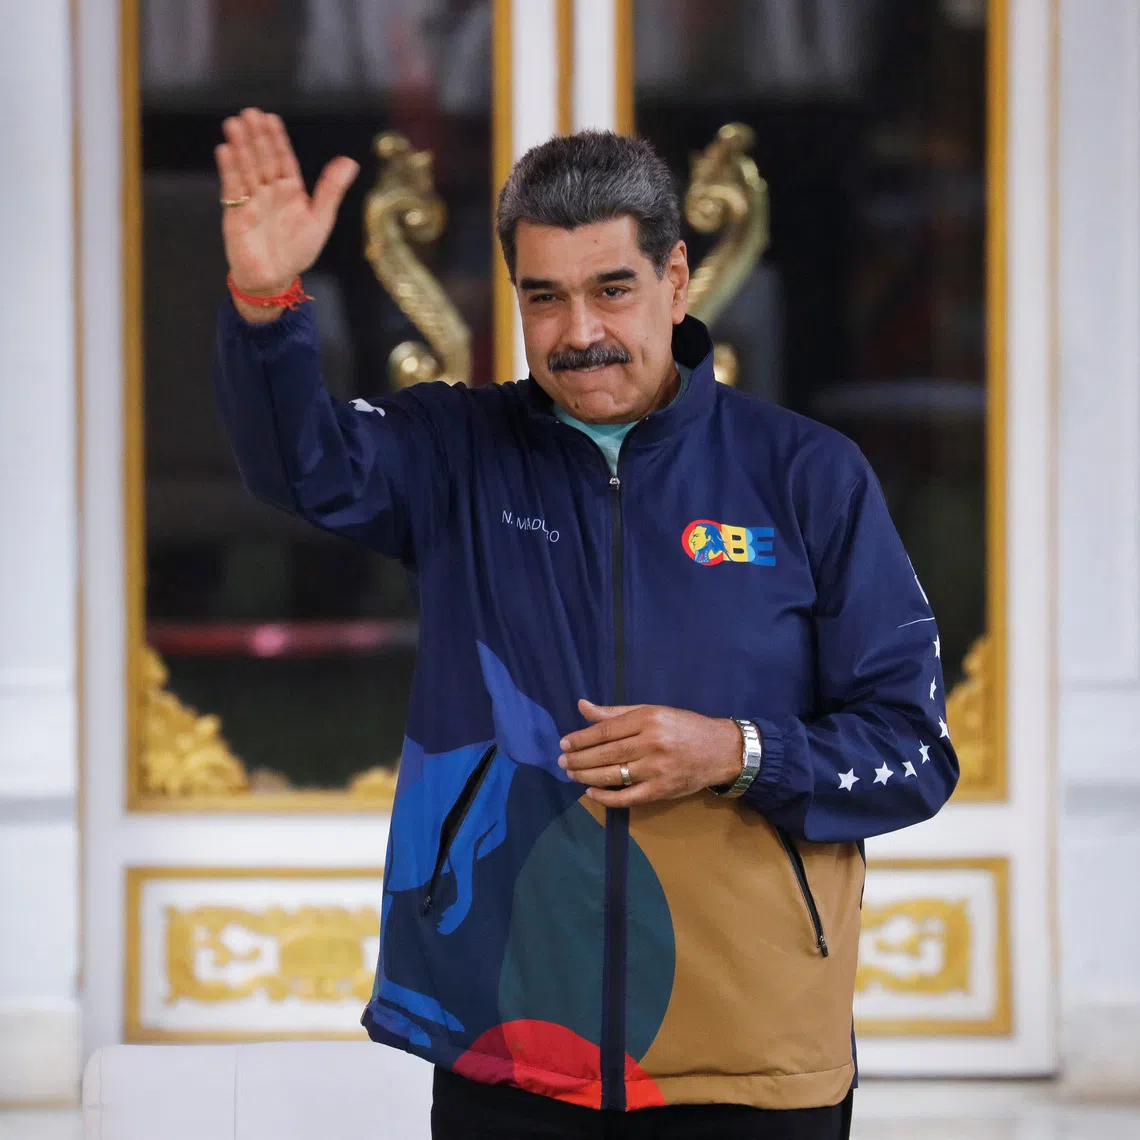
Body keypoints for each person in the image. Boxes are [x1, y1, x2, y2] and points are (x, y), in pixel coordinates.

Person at [213, 107, 959, 1140]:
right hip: (508, 1039)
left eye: (612, 289)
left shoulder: (806, 474)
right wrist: (266, 306)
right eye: (545, 297)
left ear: (676, 279)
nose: (578, 334)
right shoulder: (458, 451)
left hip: (752, 1057)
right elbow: (300, 466)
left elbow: (913, 751)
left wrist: (735, 752)